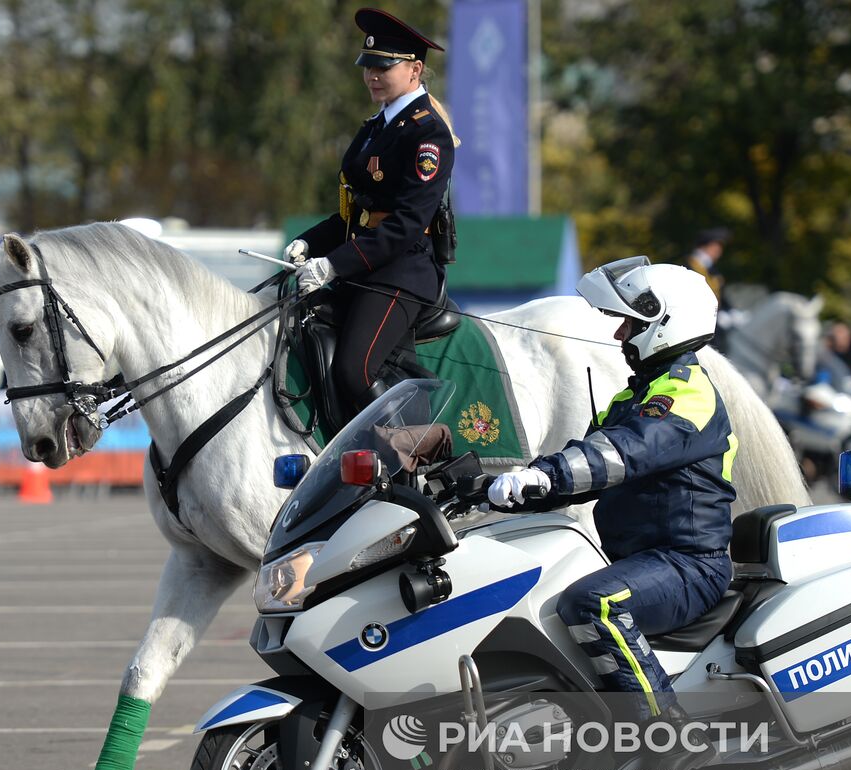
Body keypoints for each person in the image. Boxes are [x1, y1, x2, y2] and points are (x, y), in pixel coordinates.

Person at [488, 258, 736, 723]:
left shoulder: (687, 393)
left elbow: (626, 452)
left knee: (592, 603)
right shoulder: (633, 396)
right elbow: (587, 468)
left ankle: (667, 739)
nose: (620, 335)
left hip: (686, 562)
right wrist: (496, 487)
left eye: (630, 323)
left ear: (664, 325)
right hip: (639, 558)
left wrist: (547, 474)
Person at [285, 7, 456, 418]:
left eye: (384, 66)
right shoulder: (376, 126)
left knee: (354, 370)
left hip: (403, 270)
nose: (372, 75)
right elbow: (354, 214)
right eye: (368, 66)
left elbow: (405, 227)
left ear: (415, 70)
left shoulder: (427, 133)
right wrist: (308, 242)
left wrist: (332, 265)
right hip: (366, 266)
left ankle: (413, 455)